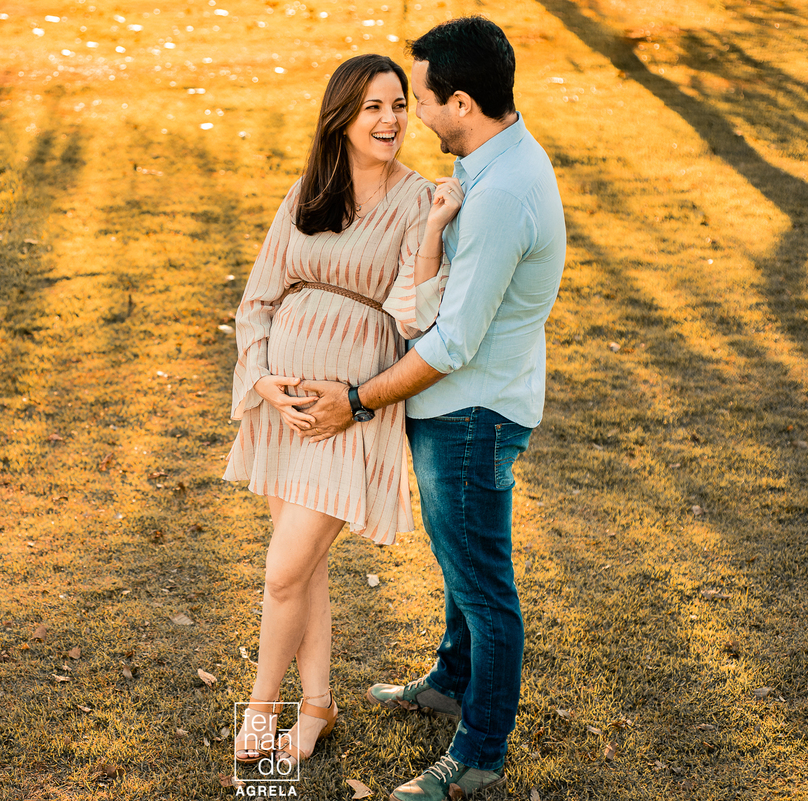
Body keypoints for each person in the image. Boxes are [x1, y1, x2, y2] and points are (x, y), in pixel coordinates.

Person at [296, 17, 567, 801]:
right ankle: (451, 679)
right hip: (473, 404)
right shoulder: (495, 160)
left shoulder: (500, 196)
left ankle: (479, 751)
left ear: (462, 101)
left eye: (423, 99)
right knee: (464, 566)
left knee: (485, 586)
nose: (413, 113)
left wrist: (355, 399)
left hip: (472, 412)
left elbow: (449, 342)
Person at [224, 54, 463, 771]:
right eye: (373, 109)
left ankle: (263, 708)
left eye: (398, 105)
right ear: (342, 119)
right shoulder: (309, 191)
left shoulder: (421, 199)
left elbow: (419, 319)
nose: (391, 120)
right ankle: (319, 703)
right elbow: (258, 301)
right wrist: (262, 381)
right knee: (305, 572)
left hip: (344, 413)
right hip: (284, 407)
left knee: (283, 571)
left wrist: (432, 230)